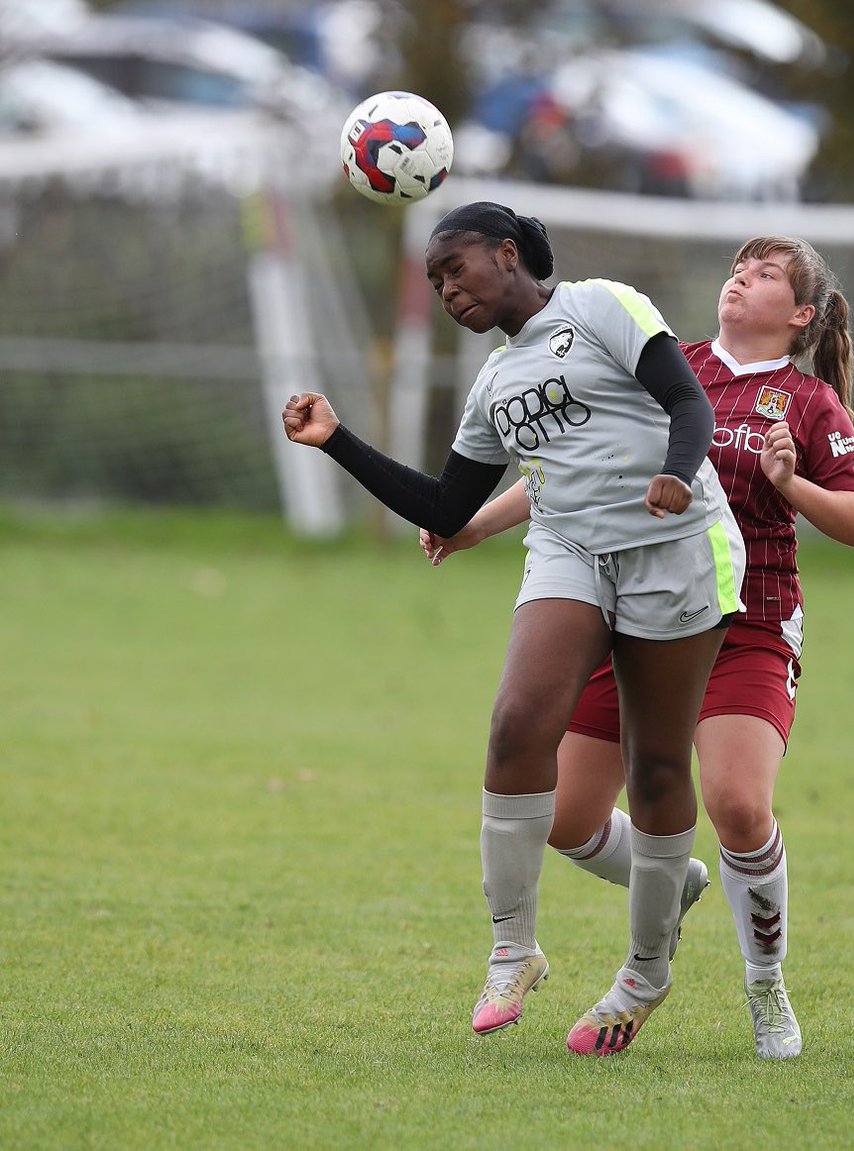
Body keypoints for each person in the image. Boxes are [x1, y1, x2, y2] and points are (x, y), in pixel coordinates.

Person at [281, 201, 746, 1057]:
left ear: (506, 253)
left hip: (675, 546)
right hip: (569, 546)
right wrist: (336, 438)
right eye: (433, 281)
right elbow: (445, 506)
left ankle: (646, 969)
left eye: (454, 268)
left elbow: (687, 399)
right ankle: (513, 947)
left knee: (652, 766)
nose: (445, 288)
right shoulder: (492, 386)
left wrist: (679, 476)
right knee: (514, 725)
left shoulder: (603, 305)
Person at [421, 235, 854, 1060]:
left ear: (802, 314)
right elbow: (567, 464)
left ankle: (764, 985)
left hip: (746, 626)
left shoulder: (808, 404)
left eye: (765, 274)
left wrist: (790, 484)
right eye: (738, 268)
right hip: (632, 604)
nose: (741, 279)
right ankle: (673, 884)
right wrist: (472, 523)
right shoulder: (673, 358)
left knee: (737, 803)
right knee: (562, 815)